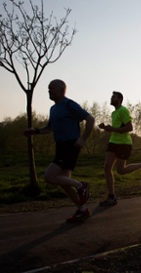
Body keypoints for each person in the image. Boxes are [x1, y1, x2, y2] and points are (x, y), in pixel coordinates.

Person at [24, 79, 95, 223]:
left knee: (49, 177)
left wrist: (83, 139)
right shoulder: (53, 109)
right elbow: (49, 128)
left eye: (52, 88)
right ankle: (82, 210)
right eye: (48, 89)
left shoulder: (69, 104)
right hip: (60, 146)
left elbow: (90, 119)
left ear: (62, 89)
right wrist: (35, 131)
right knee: (64, 182)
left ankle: (81, 185)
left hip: (70, 145)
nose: (49, 91)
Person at [98, 91, 141, 206]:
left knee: (121, 170)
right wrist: (107, 128)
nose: (111, 98)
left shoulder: (123, 111)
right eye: (111, 96)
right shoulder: (114, 113)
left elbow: (130, 127)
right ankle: (111, 196)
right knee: (106, 167)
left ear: (119, 99)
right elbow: (117, 128)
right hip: (113, 142)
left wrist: (112, 129)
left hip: (124, 144)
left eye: (113, 97)